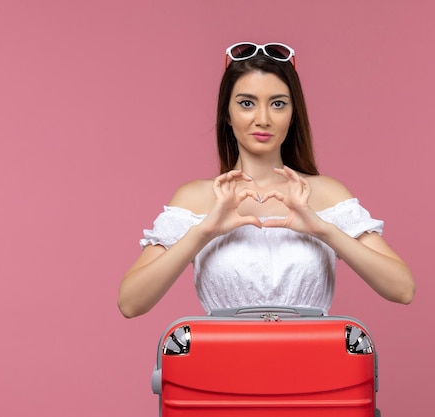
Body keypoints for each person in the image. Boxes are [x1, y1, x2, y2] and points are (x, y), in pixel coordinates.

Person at [118, 42, 414, 318]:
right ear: (228, 115)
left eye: (278, 104)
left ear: (293, 114)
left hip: (314, 367)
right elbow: (131, 303)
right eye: (247, 103)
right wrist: (203, 232)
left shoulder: (325, 194)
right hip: (221, 368)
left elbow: (402, 289)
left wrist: (323, 230)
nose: (263, 118)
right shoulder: (197, 198)